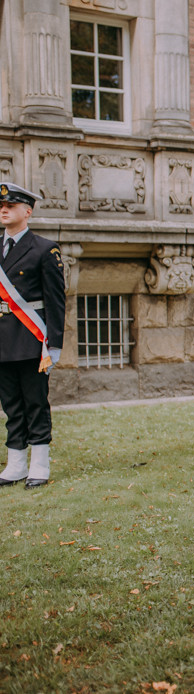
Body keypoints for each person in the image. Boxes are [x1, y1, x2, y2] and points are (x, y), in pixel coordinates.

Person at [0, 182, 65, 489]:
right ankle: (15, 463)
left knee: (35, 402)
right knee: (11, 404)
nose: (3, 210)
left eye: (10, 206)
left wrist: (54, 345)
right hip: (2, 342)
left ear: (27, 211)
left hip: (31, 340)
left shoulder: (44, 248)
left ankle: (39, 463)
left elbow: (56, 301)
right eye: (2, 206)